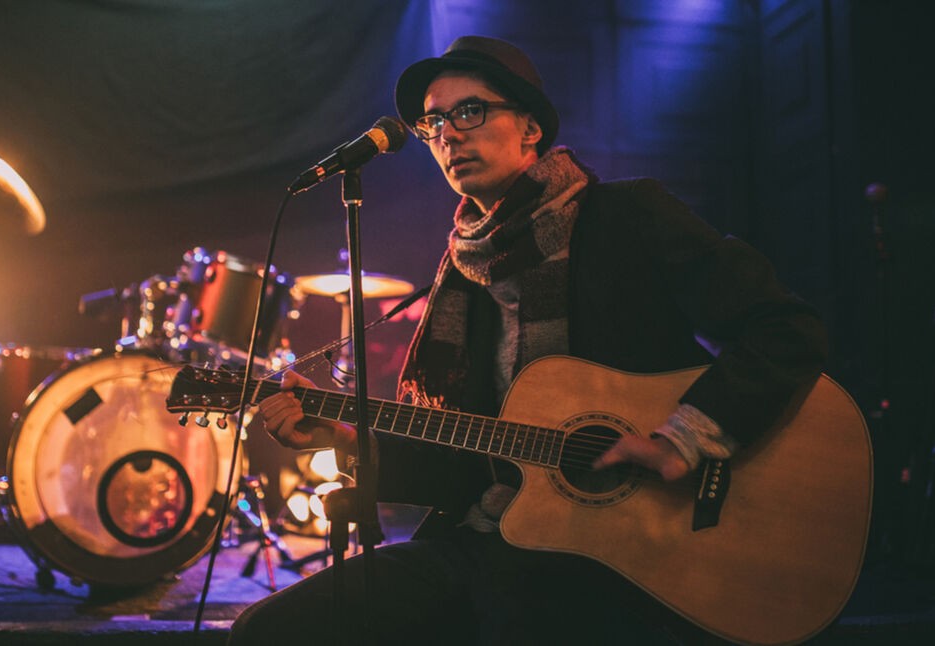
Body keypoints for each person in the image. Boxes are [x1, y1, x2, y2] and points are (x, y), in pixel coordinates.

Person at [228, 36, 827, 645]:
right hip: (492, 539)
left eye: (470, 111)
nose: (449, 135)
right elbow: (459, 460)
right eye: (433, 122)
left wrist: (685, 437)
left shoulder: (627, 218)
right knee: (266, 631)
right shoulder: (459, 275)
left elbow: (785, 330)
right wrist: (342, 435)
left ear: (530, 128)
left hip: (631, 553)